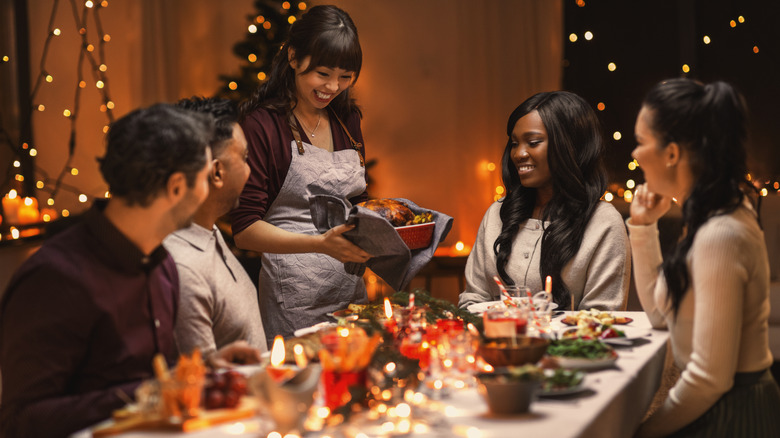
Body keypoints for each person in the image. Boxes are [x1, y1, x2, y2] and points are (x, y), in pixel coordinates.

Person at [0, 104, 246, 437]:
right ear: (176, 187)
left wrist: (199, 372)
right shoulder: (55, 278)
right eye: (205, 177)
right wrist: (149, 393)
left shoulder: (161, 267)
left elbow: (134, 377)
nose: (211, 187)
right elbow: (21, 420)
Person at [629, 78, 780, 437]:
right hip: (715, 404)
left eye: (640, 141)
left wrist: (644, 431)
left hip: (733, 416)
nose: (634, 154)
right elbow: (659, 314)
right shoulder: (707, 214)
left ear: (671, 153)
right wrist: (643, 227)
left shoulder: (720, 233)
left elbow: (709, 378)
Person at [232, 4, 371, 343]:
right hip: (292, 299)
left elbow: (359, 202)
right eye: (323, 73)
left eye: (345, 77)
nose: (333, 87)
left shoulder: (346, 119)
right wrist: (319, 245)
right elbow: (244, 229)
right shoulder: (262, 125)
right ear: (294, 57)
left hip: (350, 292)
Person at [459, 91, 630, 311]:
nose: (518, 154)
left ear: (570, 146)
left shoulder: (603, 223)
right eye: (514, 143)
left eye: (533, 142)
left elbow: (601, 321)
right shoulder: (498, 213)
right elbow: (472, 300)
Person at [164, 97, 268, 364]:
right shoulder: (184, 266)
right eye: (245, 158)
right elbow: (200, 385)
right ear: (217, 173)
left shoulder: (207, 232)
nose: (251, 169)